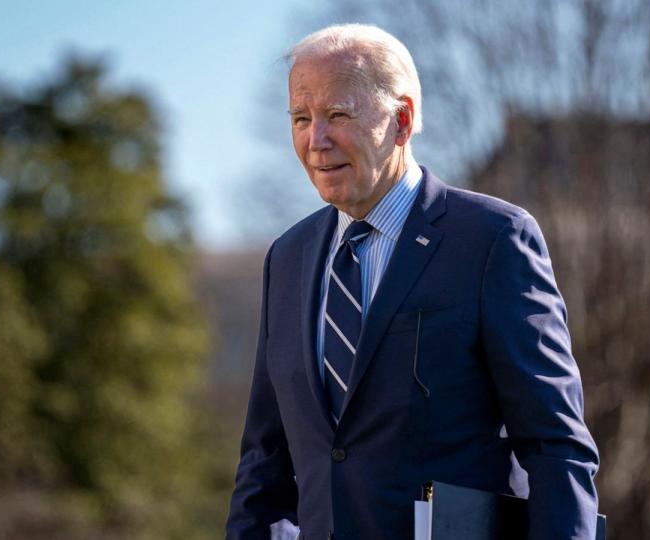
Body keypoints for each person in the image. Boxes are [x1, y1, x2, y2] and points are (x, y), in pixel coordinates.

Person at [226, 23, 599, 540]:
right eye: (300, 118)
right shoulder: (286, 258)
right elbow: (265, 463)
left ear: (400, 122)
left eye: (337, 115)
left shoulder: (493, 240)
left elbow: (555, 445)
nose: (316, 140)